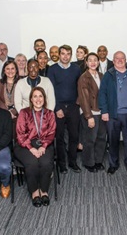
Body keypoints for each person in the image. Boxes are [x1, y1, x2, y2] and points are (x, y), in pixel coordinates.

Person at [98, 51, 127, 174]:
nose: (120, 60)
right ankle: (113, 164)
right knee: (113, 141)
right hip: (113, 114)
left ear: (125, 59)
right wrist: (104, 111)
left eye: (122, 58)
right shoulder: (108, 75)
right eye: (117, 58)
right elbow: (102, 94)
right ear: (113, 60)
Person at [14, 87, 56, 207]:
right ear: (31, 99)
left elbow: (52, 132)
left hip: (44, 143)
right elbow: (20, 134)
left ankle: (44, 191)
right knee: (32, 163)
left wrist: (44, 146)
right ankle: (34, 192)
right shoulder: (24, 112)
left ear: (44, 98)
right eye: (35, 96)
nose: (38, 99)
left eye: (40, 96)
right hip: (25, 145)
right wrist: (31, 148)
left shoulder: (49, 113)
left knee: (46, 162)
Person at [47, 45, 82, 173]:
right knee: (60, 137)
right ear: (59, 55)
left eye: (68, 53)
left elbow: (79, 87)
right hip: (59, 107)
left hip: (73, 107)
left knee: (74, 136)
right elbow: (50, 91)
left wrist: (78, 103)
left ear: (71, 55)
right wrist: (56, 108)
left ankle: (72, 162)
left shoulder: (76, 68)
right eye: (63, 53)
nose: (65, 56)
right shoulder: (52, 69)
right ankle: (62, 164)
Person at [77, 53, 107, 172]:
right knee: (90, 139)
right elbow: (83, 98)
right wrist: (89, 116)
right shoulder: (84, 77)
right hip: (89, 112)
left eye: (95, 60)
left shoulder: (101, 75)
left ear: (99, 62)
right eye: (90, 60)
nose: (93, 62)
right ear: (86, 63)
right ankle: (89, 163)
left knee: (101, 138)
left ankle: (98, 161)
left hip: (101, 111)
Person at [0, 61, 20, 136]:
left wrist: (13, 112)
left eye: (12, 68)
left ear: (16, 70)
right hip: (3, 115)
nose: (10, 71)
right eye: (7, 69)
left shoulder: (21, 82)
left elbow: (23, 99)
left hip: (18, 114)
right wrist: (7, 112)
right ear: (4, 71)